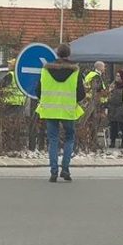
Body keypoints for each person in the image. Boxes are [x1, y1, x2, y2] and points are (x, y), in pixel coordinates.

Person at [34, 43, 85, 183]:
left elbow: (38, 91)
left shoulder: (45, 71)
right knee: (69, 138)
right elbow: (81, 94)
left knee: (53, 140)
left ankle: (53, 172)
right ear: (69, 55)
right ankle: (66, 170)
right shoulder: (75, 72)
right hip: (68, 110)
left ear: (57, 54)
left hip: (50, 110)